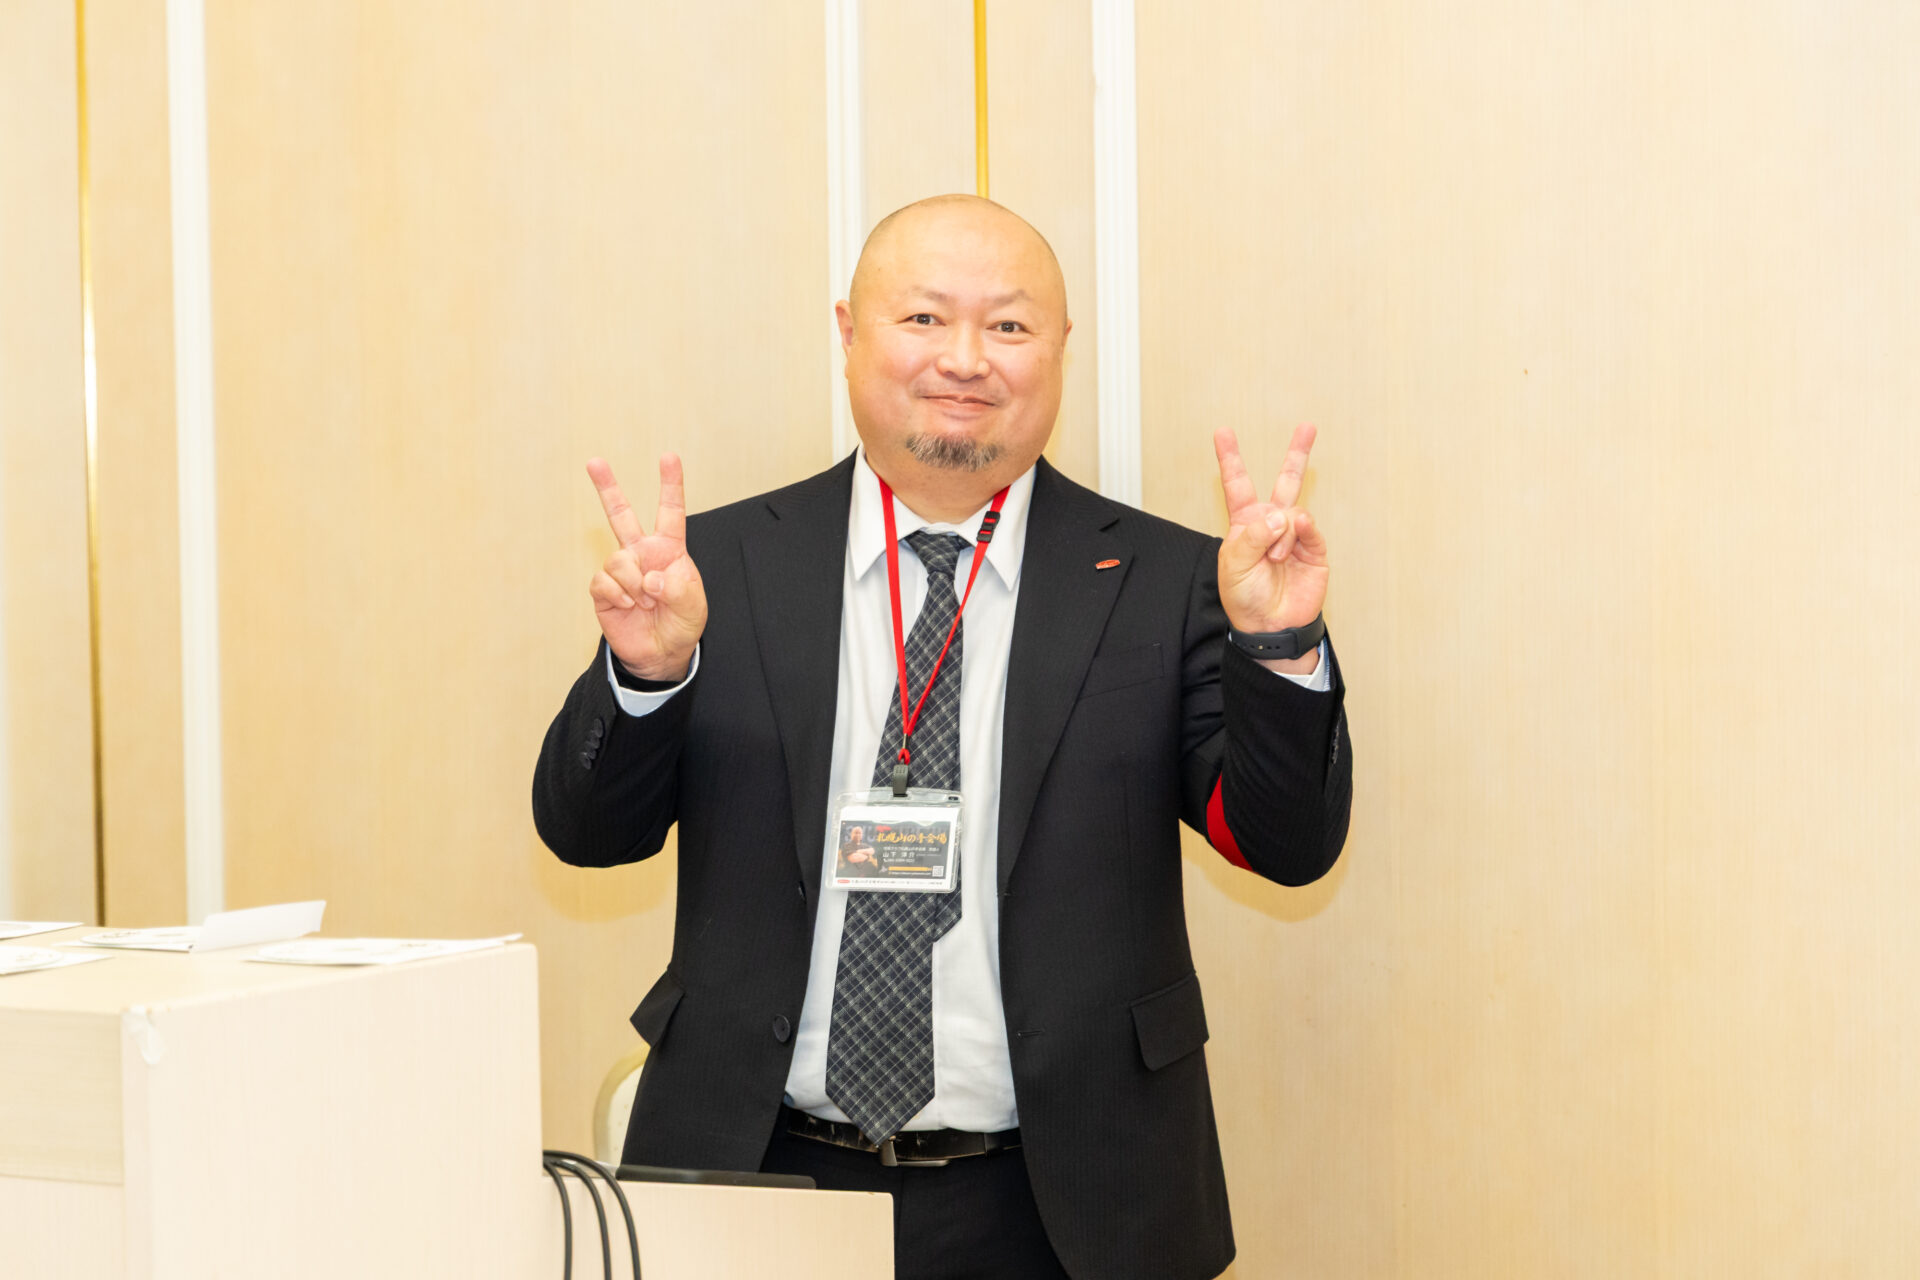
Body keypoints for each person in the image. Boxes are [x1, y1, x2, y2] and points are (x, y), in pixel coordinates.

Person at [533, 195, 1351, 1280]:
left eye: (1008, 325)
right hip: (759, 1173)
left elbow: (1287, 846)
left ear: (1060, 349)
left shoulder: (1168, 582)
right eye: (924, 318)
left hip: (1068, 1202)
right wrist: (648, 675)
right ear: (849, 333)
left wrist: (1279, 644)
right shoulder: (714, 572)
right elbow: (590, 837)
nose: (965, 359)